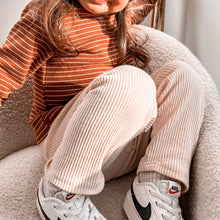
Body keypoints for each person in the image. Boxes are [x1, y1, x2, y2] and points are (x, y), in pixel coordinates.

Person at [0, 0, 205, 219]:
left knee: (184, 76)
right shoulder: (46, 16)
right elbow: (5, 71)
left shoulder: (122, 14)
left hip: (123, 145)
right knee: (131, 79)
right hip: (69, 144)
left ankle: (152, 189)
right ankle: (62, 192)